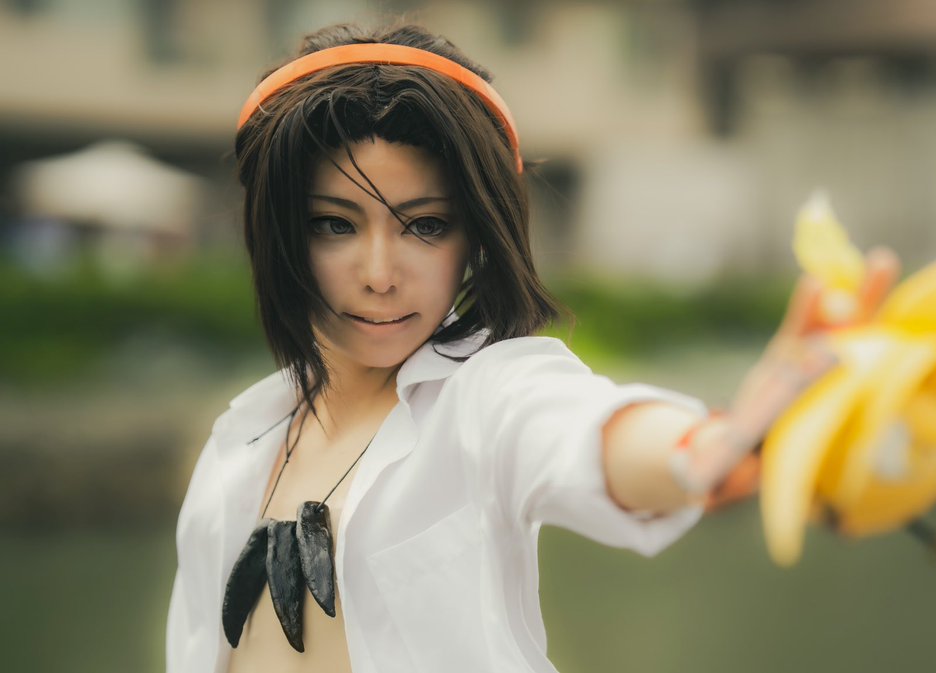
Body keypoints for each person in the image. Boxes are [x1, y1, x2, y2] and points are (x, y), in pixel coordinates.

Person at [165, 21, 894, 673]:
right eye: (335, 225)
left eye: (425, 226)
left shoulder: (488, 397)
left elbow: (580, 433)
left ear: (475, 239)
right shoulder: (239, 441)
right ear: (280, 235)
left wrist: (712, 445)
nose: (380, 274)